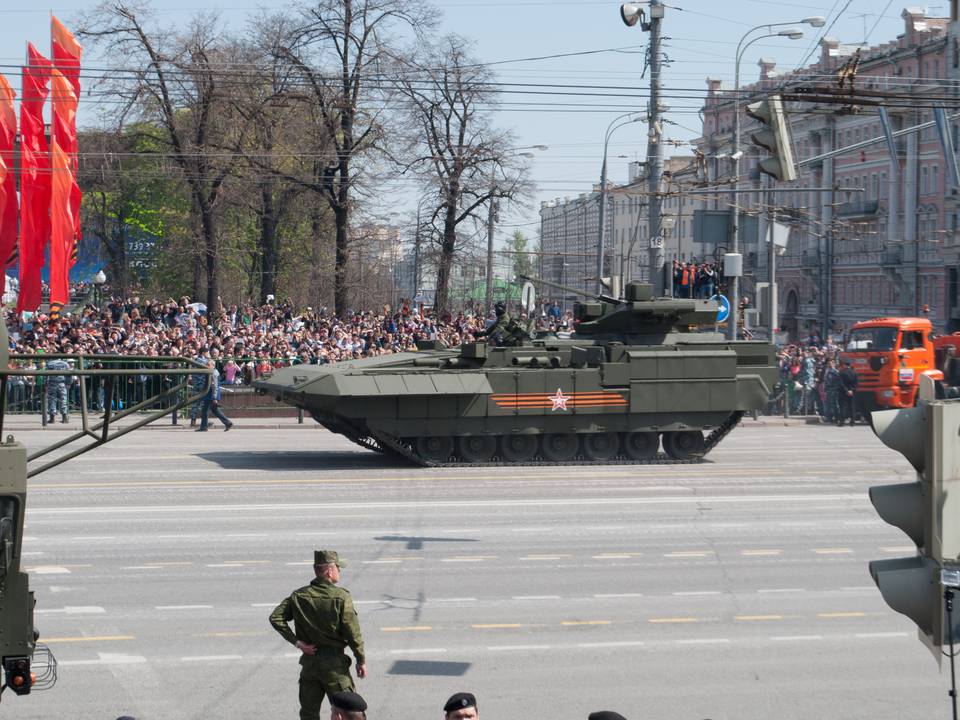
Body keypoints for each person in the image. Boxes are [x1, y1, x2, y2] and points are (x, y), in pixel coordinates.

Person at [269, 550, 367, 720]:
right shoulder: (341, 597)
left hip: (310, 665)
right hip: (334, 667)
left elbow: (275, 618)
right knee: (350, 713)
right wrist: (361, 660)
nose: (339, 571)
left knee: (308, 714)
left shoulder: (299, 596)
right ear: (330, 571)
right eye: (338, 567)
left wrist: (298, 643)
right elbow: (353, 633)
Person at [197, 358, 233, 432]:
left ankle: (204, 427)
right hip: (210, 394)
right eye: (207, 364)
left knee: (205, 410)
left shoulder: (213, 373)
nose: (207, 366)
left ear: (213, 365)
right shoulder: (211, 372)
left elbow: (215, 386)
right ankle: (227, 423)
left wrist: (214, 397)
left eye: (208, 365)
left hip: (211, 394)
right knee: (214, 410)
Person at [45, 357, 71, 424]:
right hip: (62, 383)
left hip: (52, 383)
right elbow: (69, 374)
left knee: (52, 400)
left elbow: (46, 375)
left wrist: (45, 384)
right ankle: (64, 418)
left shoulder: (49, 363)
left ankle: (52, 418)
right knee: (63, 400)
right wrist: (68, 383)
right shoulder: (65, 364)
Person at [838, 359, 859, 426]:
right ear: (850, 365)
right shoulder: (854, 373)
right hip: (852, 392)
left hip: (843, 392)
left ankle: (842, 422)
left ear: (844, 365)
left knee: (843, 406)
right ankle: (852, 421)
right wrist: (851, 390)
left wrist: (846, 390)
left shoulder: (841, 373)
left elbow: (841, 383)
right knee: (852, 406)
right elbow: (856, 384)